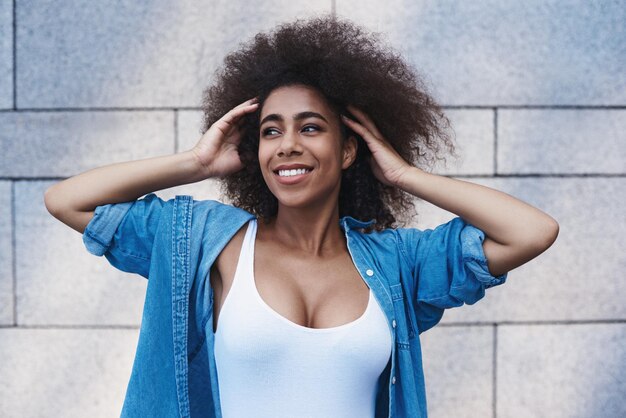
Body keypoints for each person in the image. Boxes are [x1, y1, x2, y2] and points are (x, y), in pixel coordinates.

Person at [44, 15, 559, 418]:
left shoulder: (398, 261)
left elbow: (533, 232)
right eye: (271, 131)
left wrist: (403, 174)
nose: (287, 145)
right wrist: (195, 163)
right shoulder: (205, 243)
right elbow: (68, 200)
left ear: (350, 150)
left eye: (310, 128)